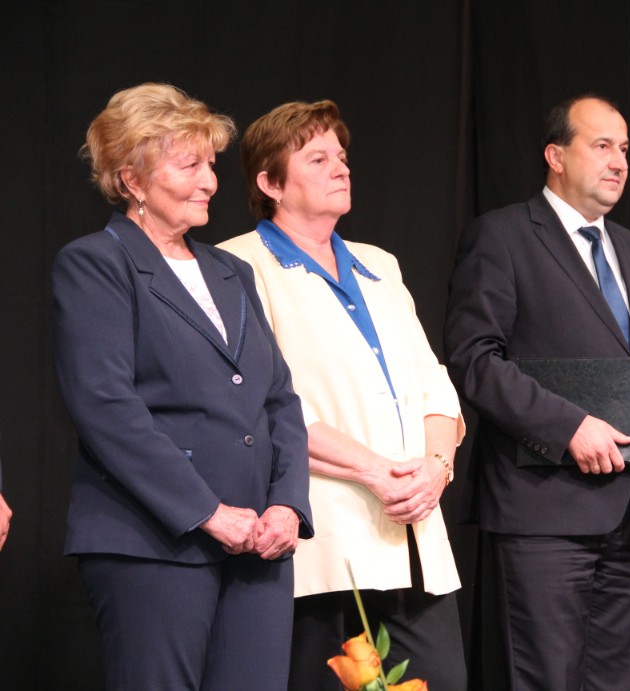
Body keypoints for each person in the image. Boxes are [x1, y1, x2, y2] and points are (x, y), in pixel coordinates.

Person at [52, 83, 312, 690]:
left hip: (258, 543)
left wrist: (287, 505)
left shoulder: (231, 270)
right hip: (153, 541)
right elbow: (107, 407)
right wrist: (207, 513)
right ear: (132, 180)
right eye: (189, 165)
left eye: (211, 164)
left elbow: (279, 399)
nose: (210, 182)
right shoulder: (96, 263)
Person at [444, 95, 630, 690]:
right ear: (555, 156)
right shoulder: (503, 235)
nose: (619, 162)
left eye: (624, 149)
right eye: (601, 145)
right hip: (544, 510)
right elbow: (475, 360)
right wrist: (568, 428)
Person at [219, 99, 467, 691]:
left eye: (342, 156)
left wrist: (436, 468)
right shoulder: (237, 265)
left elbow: (434, 384)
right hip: (324, 540)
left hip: (413, 531)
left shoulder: (380, 264)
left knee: (443, 681)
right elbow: (267, 407)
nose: (341, 168)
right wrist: (378, 473)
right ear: (270, 183)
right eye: (318, 158)